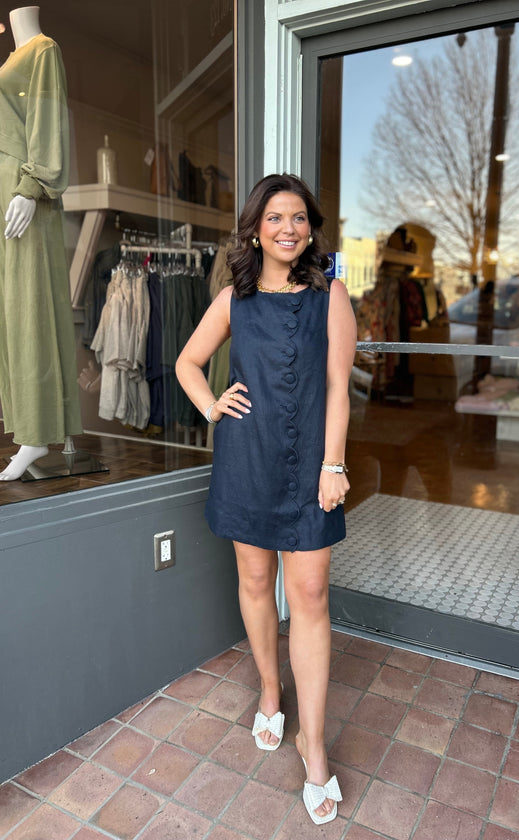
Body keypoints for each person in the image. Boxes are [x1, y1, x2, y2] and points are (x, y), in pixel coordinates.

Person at [176, 173, 356, 824]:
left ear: (311, 229)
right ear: (255, 227)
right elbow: (187, 363)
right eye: (275, 217)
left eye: (299, 218)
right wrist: (211, 405)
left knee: (308, 597)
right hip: (246, 461)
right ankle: (270, 694)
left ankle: (314, 750)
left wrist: (333, 464)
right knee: (256, 581)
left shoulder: (331, 296)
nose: (288, 228)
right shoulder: (234, 299)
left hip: (312, 468)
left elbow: (339, 388)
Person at [0, 6, 81, 481]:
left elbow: (46, 124)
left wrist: (32, 188)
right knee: (13, 313)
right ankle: (29, 427)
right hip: (7, 195)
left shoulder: (42, 50)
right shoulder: (14, 58)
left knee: (31, 308)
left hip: (23, 195)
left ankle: (36, 434)